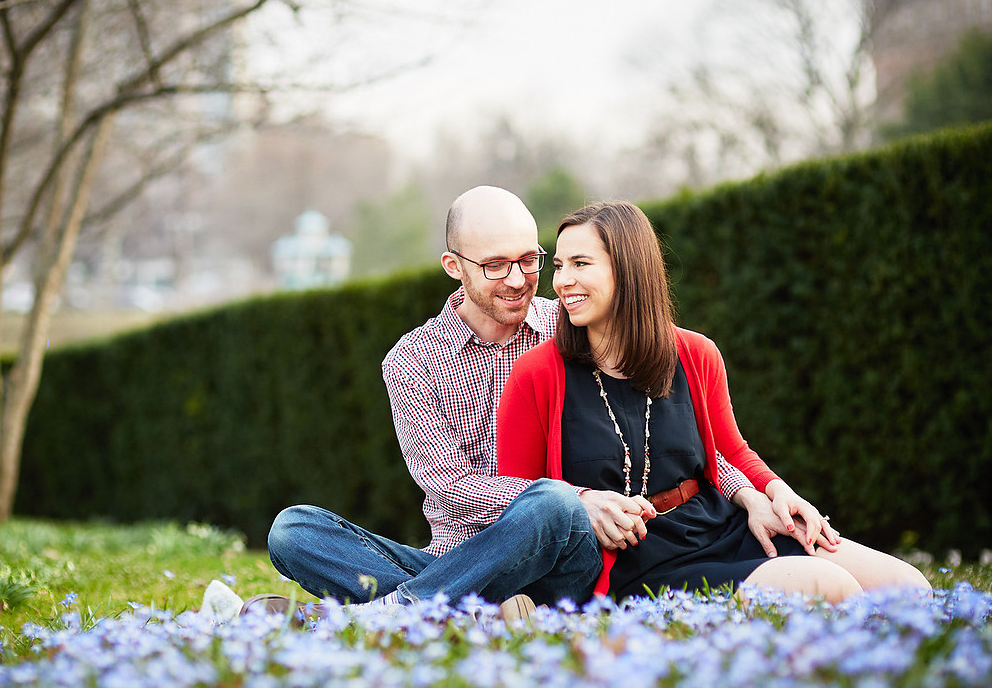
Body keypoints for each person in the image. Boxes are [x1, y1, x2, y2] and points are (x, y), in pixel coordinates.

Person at [262, 187, 813, 614]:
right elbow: (445, 481)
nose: (520, 279)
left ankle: (403, 612)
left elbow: (681, 425)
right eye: (495, 265)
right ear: (455, 266)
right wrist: (575, 498)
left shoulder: (569, 322)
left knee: (552, 506)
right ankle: (457, 608)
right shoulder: (412, 359)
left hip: (566, 559)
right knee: (293, 530)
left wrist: (752, 491)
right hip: (462, 557)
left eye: (530, 260)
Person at [496, 201, 931, 604]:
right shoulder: (537, 373)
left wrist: (777, 492)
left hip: (718, 523)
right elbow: (522, 501)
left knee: (910, 589)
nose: (561, 282)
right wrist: (584, 500)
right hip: (634, 558)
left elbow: (731, 450)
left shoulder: (695, 354)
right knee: (831, 588)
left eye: (580, 264)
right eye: (559, 265)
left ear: (628, 270)